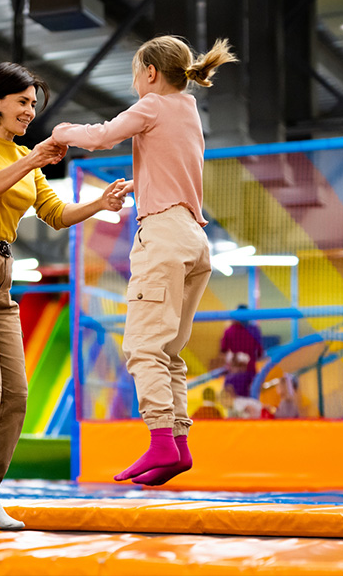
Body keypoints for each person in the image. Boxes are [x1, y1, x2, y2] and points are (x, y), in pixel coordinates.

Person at [0, 62, 133, 532]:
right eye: (22, 102)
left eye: (33, 104)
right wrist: (31, 158)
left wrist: (100, 205)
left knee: (15, 394)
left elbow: (56, 215)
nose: (29, 110)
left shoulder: (26, 157)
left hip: (1, 274)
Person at [52, 36, 237, 486]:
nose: (137, 83)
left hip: (164, 236)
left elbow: (100, 137)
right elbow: (174, 165)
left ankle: (159, 441)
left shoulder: (153, 104)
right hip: (194, 239)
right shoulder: (188, 110)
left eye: (136, 74)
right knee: (169, 350)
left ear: (150, 73)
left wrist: (61, 132)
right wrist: (135, 185)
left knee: (142, 347)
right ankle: (177, 445)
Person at [220, 306, 263, 397]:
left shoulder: (229, 331)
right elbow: (260, 352)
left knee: (233, 399)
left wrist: (232, 363)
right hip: (250, 371)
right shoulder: (254, 330)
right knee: (251, 398)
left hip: (234, 371)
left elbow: (223, 350)